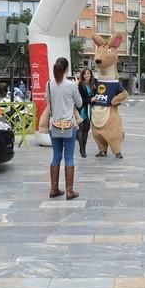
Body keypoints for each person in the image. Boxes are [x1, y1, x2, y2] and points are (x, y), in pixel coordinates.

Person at [45, 57, 83, 200]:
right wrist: (76, 86)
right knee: (69, 157)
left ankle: (54, 189)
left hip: (53, 125)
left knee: (56, 156)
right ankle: (69, 191)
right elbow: (79, 103)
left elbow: (46, 100)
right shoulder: (71, 85)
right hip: (69, 126)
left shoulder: (49, 84)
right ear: (67, 69)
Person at [76, 68, 96, 158]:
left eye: (88, 73)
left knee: (87, 130)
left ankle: (84, 148)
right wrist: (90, 99)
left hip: (90, 109)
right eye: (85, 74)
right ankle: (82, 149)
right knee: (81, 129)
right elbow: (80, 99)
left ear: (91, 74)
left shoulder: (93, 84)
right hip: (83, 109)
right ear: (82, 76)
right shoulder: (81, 85)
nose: (87, 75)